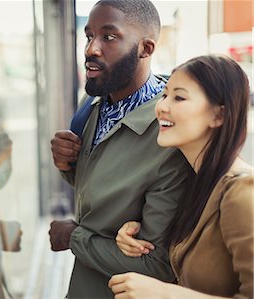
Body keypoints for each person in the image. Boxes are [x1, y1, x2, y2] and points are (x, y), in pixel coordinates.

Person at [49, 0, 189, 297]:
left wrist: (73, 237)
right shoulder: (92, 103)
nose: (91, 49)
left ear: (146, 49)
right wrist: (67, 164)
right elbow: (101, 186)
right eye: (89, 36)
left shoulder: (170, 133)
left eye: (108, 37)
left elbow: (158, 264)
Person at [109, 54, 253, 298]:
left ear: (219, 116)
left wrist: (164, 294)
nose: (162, 106)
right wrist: (138, 232)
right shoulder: (200, 180)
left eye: (179, 97)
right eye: (164, 95)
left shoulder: (242, 192)